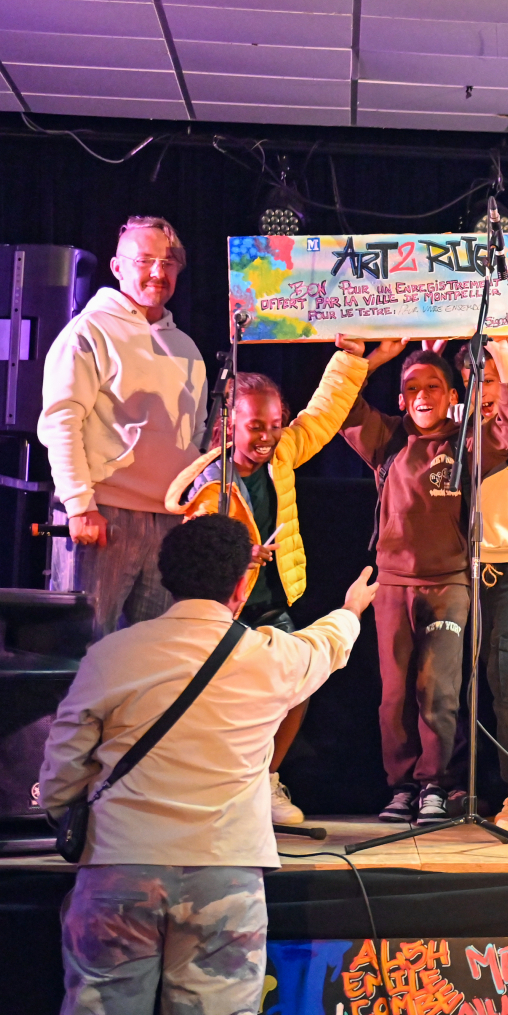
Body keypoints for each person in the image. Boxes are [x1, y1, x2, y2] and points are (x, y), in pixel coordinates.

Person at [39, 514, 375, 1015]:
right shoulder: (270, 657)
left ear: (166, 576)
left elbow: (60, 771)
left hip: (118, 868)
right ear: (243, 583)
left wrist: (69, 816)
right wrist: (351, 609)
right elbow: (327, 645)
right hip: (225, 877)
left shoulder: (112, 655)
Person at [165, 334, 372, 825]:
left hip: (274, 596)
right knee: (223, 698)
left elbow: (321, 416)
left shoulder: (281, 456)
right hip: (225, 607)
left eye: (276, 425)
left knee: (294, 686)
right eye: (256, 425)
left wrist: (351, 358)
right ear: (229, 423)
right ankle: (223, 784)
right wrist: (243, 555)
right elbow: (198, 543)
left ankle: (267, 780)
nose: (267, 436)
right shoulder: (209, 478)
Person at [341, 345, 508, 825]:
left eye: (432, 388)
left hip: (449, 584)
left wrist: (503, 360)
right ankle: (402, 788)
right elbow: (343, 405)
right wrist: (374, 357)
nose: (422, 397)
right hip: (394, 585)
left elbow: (506, 426)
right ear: (401, 400)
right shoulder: (388, 440)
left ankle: (437, 784)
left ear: (453, 396)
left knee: (439, 689)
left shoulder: (465, 443)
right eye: (412, 389)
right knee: (395, 694)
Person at [39, 215, 208, 642]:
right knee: (81, 652)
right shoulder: (88, 332)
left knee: (153, 660)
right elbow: (61, 420)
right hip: (104, 517)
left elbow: (198, 434)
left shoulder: (186, 346)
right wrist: (79, 505)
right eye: (146, 260)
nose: (158, 272)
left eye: (169, 262)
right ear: (117, 267)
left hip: (170, 523)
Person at [450, 339, 508, 833]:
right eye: (472, 378)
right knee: (461, 681)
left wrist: (507, 370)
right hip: (461, 569)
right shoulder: (453, 425)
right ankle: (455, 784)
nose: (480, 387)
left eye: (486, 377)